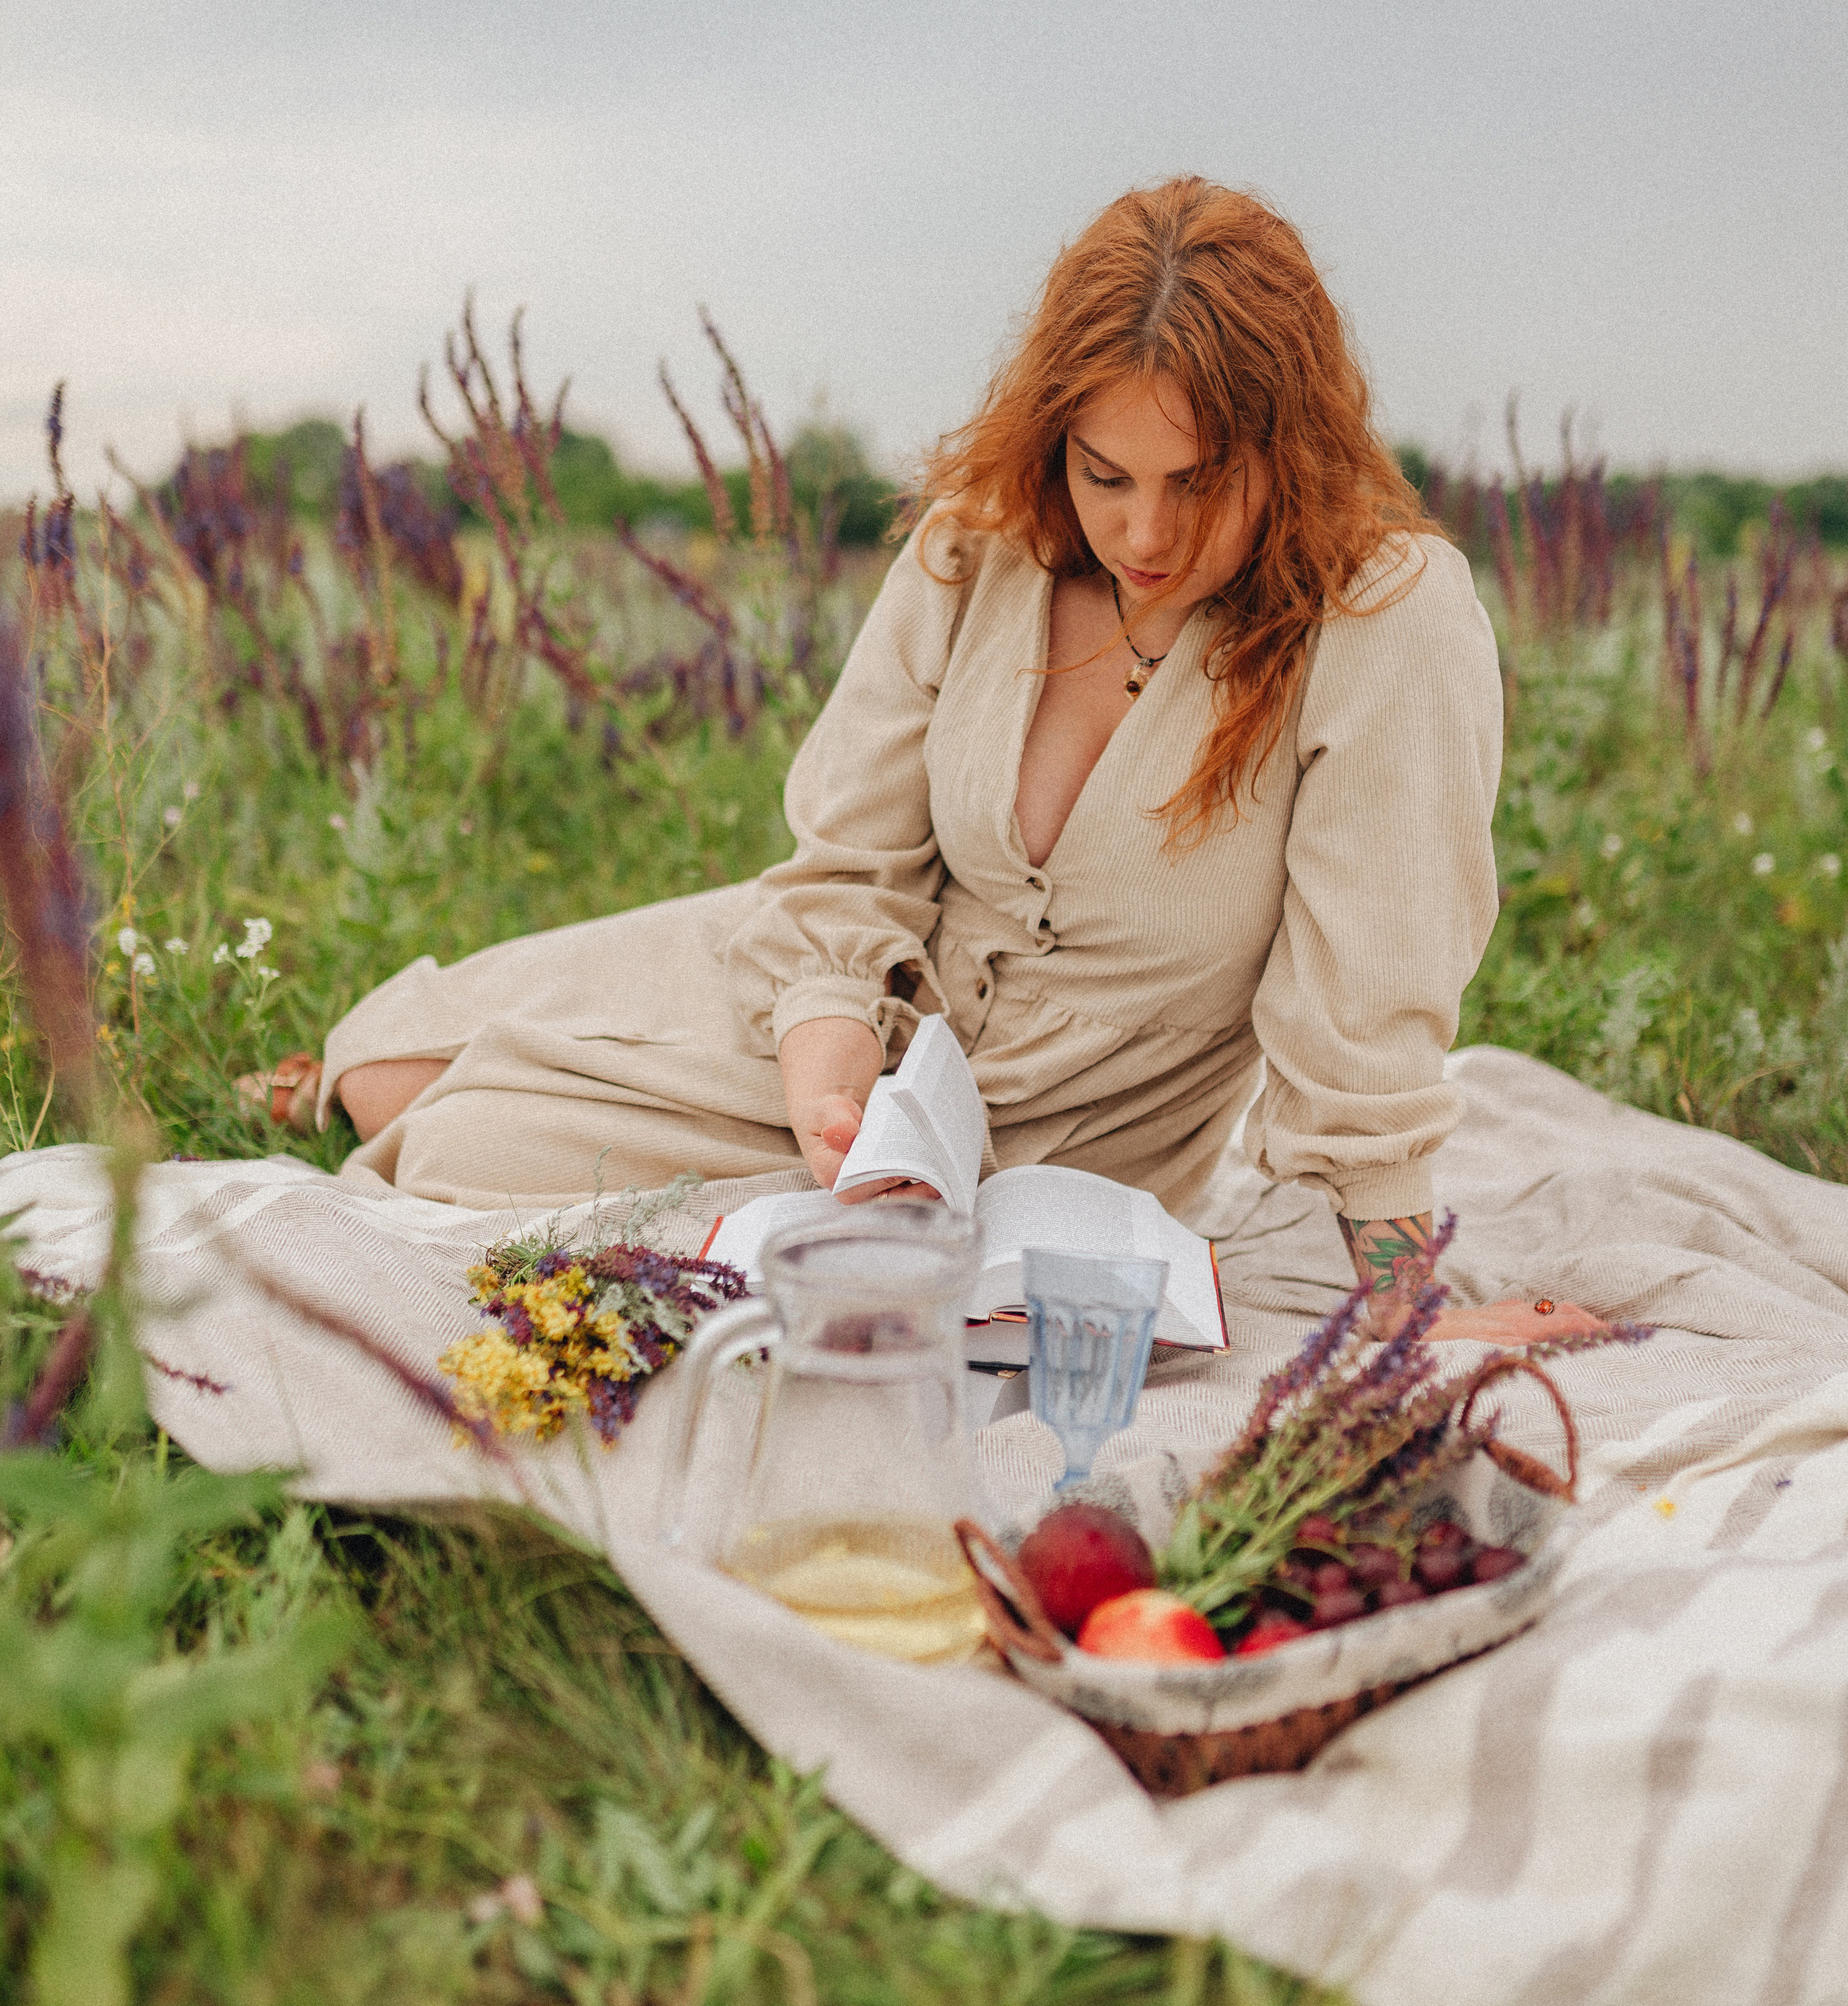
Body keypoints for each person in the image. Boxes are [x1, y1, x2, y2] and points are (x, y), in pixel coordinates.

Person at [257, 178, 1596, 1346]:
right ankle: (417, 1080)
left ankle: (549, 1118)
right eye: (1104, 472)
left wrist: (1403, 1305)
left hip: (1037, 1131)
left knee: (451, 1146)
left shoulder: (1386, 617)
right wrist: (826, 1052)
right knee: (386, 1060)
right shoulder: (984, 548)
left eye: (1198, 481)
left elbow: (1369, 999)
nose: (1145, 530)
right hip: (834, 1013)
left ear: (1291, 447)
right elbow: (847, 863)